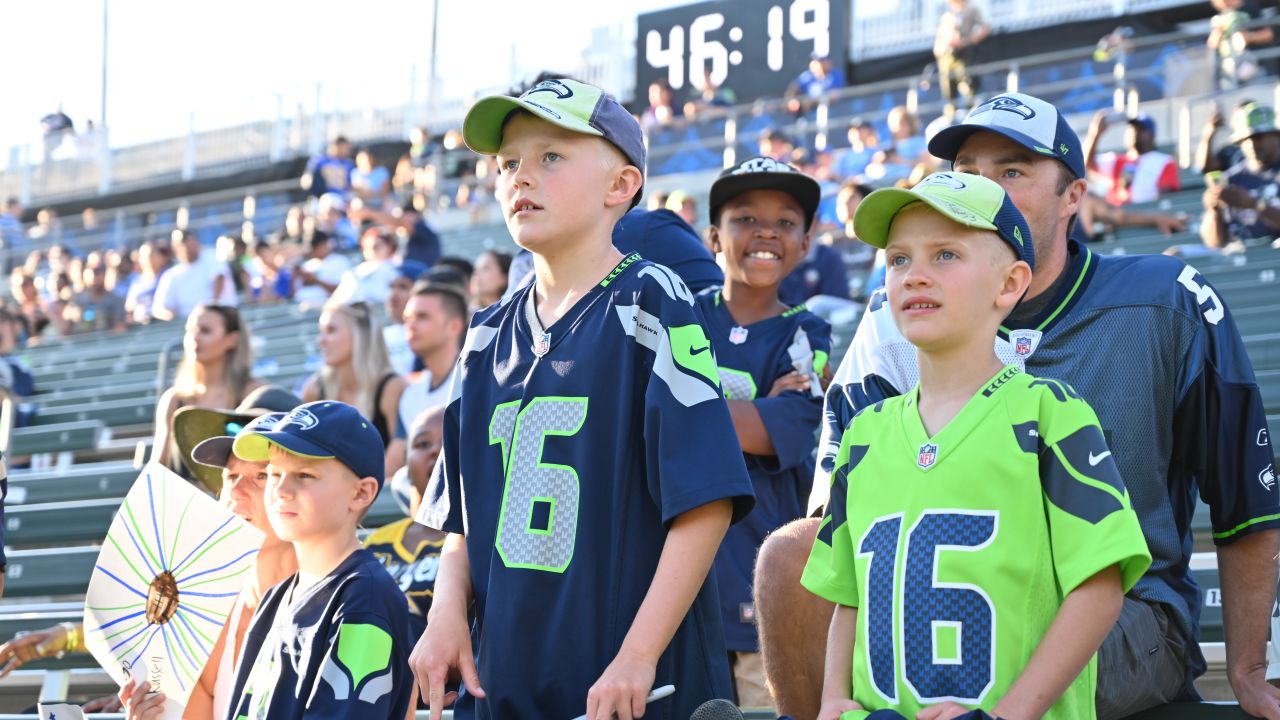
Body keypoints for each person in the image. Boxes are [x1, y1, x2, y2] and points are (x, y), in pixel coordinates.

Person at [755, 91, 1280, 720]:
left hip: (1123, 608)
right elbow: (847, 538)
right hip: (939, 592)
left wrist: (1247, 667)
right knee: (792, 556)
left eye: (1012, 171)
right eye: (968, 172)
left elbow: (1246, 495)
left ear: (1073, 197)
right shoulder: (895, 318)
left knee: (994, 620)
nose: (988, 190)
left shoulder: (1162, 301)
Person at [408, 77, 755, 720]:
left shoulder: (652, 300)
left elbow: (704, 503)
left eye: (551, 157)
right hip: (502, 679)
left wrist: (638, 654)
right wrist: (446, 614)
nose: (521, 177)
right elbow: (462, 521)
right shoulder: (484, 336)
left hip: (630, 687)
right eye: (508, 162)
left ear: (619, 187)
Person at [806, 172, 1150, 719]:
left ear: (1009, 284)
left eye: (945, 255)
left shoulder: (1050, 415)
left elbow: (1100, 586)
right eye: (898, 260)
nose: (915, 275)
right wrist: (832, 701)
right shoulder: (863, 435)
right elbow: (848, 594)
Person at [698, 157, 832, 709]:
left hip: (758, 584)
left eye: (785, 222)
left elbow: (784, 433)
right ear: (714, 237)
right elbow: (641, 421)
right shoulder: (676, 317)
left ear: (805, 242)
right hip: (676, 590)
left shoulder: (806, 331)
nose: (766, 233)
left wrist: (682, 411)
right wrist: (751, 408)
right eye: (745, 218)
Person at [221, 402, 412, 719]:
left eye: (304, 475)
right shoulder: (274, 599)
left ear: (361, 494)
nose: (281, 489)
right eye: (274, 473)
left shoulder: (366, 598)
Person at [365, 405, 448, 640]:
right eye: (422, 444)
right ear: (407, 469)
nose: (436, 450)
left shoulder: (479, 542)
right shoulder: (376, 542)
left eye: (449, 440)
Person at [151, 304, 264, 474]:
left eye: (205, 331)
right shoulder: (174, 399)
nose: (194, 338)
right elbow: (157, 469)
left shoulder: (255, 393)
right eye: (190, 330)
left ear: (231, 339)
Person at [301, 300, 405, 475]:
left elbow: (397, 458)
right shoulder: (314, 390)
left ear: (360, 334)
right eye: (321, 332)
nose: (321, 340)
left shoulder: (391, 387)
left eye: (331, 330)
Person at [385, 280, 466, 473]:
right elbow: (390, 471)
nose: (410, 326)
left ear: (453, 326)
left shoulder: (481, 382)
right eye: (407, 319)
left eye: (422, 317)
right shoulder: (411, 393)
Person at [1201, 101, 1280, 249]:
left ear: (1276, 136)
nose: (1252, 144)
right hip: (1238, 254)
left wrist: (1254, 204)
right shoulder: (1230, 178)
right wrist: (1214, 210)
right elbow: (1214, 243)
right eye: (1245, 139)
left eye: (1258, 137)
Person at [1084, 111, 1180, 206]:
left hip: (1147, 216)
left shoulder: (1165, 162)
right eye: (1131, 128)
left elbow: (1165, 199)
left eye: (1140, 129)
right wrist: (1095, 134)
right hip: (1116, 217)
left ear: (1152, 135)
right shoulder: (1117, 161)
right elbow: (1086, 164)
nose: (1134, 132)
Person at [151, 230, 237, 322]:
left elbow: (219, 278)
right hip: (187, 324)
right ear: (175, 248)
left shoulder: (211, 257)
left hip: (223, 317)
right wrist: (169, 316)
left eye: (191, 241)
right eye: (183, 243)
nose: (189, 246)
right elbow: (159, 308)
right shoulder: (171, 275)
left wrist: (212, 309)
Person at [933, 0, 990, 111]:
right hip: (948, 57)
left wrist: (966, 41)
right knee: (948, 87)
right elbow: (938, 43)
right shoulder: (947, 17)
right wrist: (944, 46)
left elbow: (985, 29)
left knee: (968, 82)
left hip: (965, 55)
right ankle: (950, 112)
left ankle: (971, 109)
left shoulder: (972, 11)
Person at [330, 227, 400, 305]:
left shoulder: (395, 270)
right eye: (367, 247)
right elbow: (336, 299)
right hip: (349, 310)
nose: (371, 250)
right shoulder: (352, 272)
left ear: (390, 248)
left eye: (376, 246)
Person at [384, 260, 429, 376]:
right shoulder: (381, 335)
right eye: (391, 287)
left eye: (403, 287)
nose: (393, 294)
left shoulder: (430, 333)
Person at [291, 231, 350, 308]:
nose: (312, 251)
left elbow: (343, 291)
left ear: (323, 244)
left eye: (315, 247)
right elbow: (295, 293)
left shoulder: (340, 261)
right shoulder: (307, 265)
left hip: (329, 308)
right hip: (302, 308)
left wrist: (316, 280)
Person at [125, 240, 173, 323]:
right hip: (140, 325)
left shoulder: (170, 275)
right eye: (144, 256)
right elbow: (129, 307)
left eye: (151, 254)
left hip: (163, 323)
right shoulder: (136, 282)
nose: (148, 259)